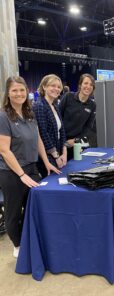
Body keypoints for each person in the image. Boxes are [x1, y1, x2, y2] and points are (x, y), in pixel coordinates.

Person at [0, 76, 61, 258]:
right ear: (8, 93)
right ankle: (18, 246)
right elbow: (4, 150)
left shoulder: (29, 112)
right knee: (13, 212)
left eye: (22, 90)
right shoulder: (3, 116)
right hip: (11, 173)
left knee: (32, 207)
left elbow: (38, 139)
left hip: (32, 168)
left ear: (27, 91)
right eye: (14, 90)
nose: (19, 94)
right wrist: (20, 174)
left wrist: (47, 161)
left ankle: (29, 239)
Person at [33, 74, 67, 177]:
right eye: (53, 85)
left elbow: (62, 131)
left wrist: (64, 153)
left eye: (58, 87)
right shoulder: (39, 106)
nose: (56, 89)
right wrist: (56, 156)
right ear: (44, 87)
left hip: (58, 154)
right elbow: (43, 134)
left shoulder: (54, 106)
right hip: (47, 157)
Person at [59, 73, 96, 159]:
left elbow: (88, 127)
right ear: (80, 85)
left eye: (91, 85)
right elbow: (58, 117)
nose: (88, 86)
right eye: (85, 83)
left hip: (77, 143)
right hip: (61, 141)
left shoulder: (92, 105)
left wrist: (75, 140)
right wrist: (64, 141)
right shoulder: (68, 97)